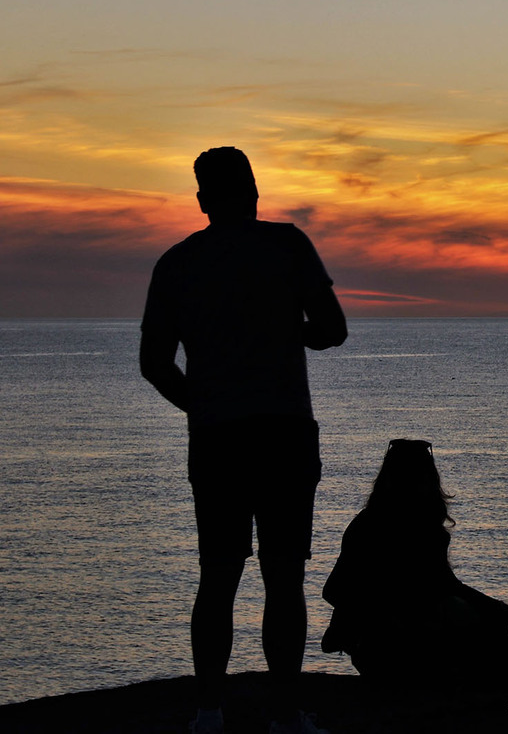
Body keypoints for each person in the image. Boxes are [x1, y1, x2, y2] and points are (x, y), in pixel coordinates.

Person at [140, 146, 347, 734]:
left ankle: (209, 711)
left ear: (202, 199)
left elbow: (154, 362)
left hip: (218, 438)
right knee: (284, 578)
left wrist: (201, 405)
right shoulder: (287, 246)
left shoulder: (178, 263)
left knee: (219, 574)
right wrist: (286, 330)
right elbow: (332, 330)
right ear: (255, 192)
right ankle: (287, 714)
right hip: (283, 431)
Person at [321, 439, 508, 712]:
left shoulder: (369, 522)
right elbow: (444, 586)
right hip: (395, 645)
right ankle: (489, 706)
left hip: (380, 647)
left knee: (480, 623)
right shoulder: (403, 528)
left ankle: (481, 702)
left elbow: (333, 590)